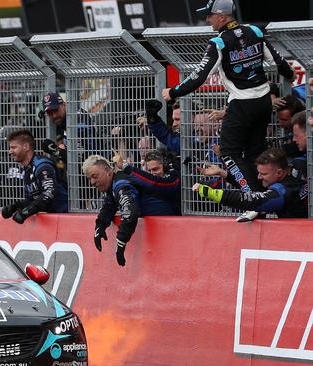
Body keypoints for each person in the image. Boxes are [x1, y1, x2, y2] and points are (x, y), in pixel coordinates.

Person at [162, 0, 294, 199]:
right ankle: (261, 199)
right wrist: (290, 76)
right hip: (263, 102)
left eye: (210, 15)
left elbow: (199, 75)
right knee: (254, 153)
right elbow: (279, 63)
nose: (208, 20)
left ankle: (251, 197)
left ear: (222, 16)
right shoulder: (255, 32)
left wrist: (173, 92)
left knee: (227, 153)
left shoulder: (219, 42)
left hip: (242, 104)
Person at [193, 148, 306, 218]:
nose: (259, 177)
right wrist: (224, 174)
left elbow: (254, 200)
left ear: (279, 173)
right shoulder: (301, 163)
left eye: (264, 174)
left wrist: (212, 193)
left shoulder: (283, 192)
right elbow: (252, 188)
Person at [1, 129, 68, 224]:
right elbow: (32, 199)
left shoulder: (42, 166)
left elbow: (49, 193)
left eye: (13, 147)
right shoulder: (27, 170)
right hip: (53, 220)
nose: (10, 152)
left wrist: (26, 212)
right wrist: (15, 206)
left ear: (26, 147)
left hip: (64, 217)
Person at [83, 155, 139, 267]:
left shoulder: (120, 183)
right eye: (89, 178)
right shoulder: (113, 187)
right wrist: (100, 226)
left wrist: (121, 242)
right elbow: (109, 205)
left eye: (94, 176)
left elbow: (130, 212)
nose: (92, 182)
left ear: (107, 171)